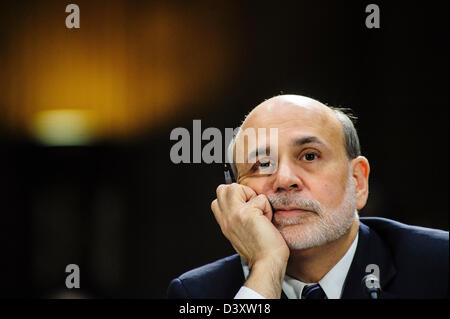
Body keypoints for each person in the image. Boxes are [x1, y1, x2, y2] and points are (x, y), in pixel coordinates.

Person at [167, 95, 448, 299]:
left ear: (358, 182)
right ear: (236, 192)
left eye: (310, 156)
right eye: (262, 164)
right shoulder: (195, 293)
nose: (285, 179)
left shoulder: (439, 266)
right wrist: (266, 267)